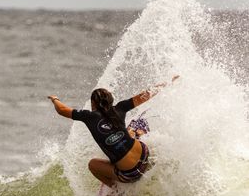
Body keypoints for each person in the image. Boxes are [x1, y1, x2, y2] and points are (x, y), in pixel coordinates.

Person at [48, 76, 179, 187]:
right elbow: (146, 95)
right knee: (133, 128)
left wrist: (55, 99)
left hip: (130, 174)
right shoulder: (121, 108)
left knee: (92, 165)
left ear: (93, 103)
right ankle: (140, 137)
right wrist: (168, 81)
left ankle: (115, 189)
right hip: (145, 154)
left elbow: (62, 110)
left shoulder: (88, 116)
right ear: (111, 100)